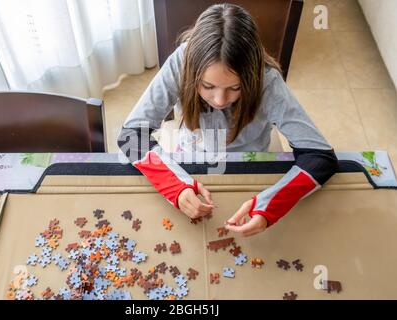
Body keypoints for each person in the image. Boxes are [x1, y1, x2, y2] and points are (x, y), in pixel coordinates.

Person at [117, 3, 338, 237]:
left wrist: (269, 207)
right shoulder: (181, 62)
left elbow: (320, 156)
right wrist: (176, 188)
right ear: (193, 73)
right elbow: (131, 136)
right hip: (191, 156)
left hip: (250, 160)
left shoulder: (267, 79)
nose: (220, 100)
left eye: (235, 87)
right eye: (207, 86)